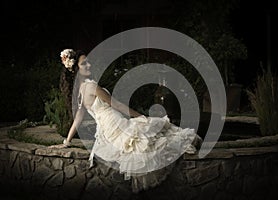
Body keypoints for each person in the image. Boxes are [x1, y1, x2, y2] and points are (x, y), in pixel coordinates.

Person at [49, 49, 202, 191]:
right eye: (84, 63)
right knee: (149, 136)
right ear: (76, 69)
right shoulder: (91, 86)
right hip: (114, 121)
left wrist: (66, 142)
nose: (89, 64)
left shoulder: (79, 91)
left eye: (88, 61)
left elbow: (78, 118)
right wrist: (140, 116)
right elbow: (116, 105)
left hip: (106, 129)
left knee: (148, 139)